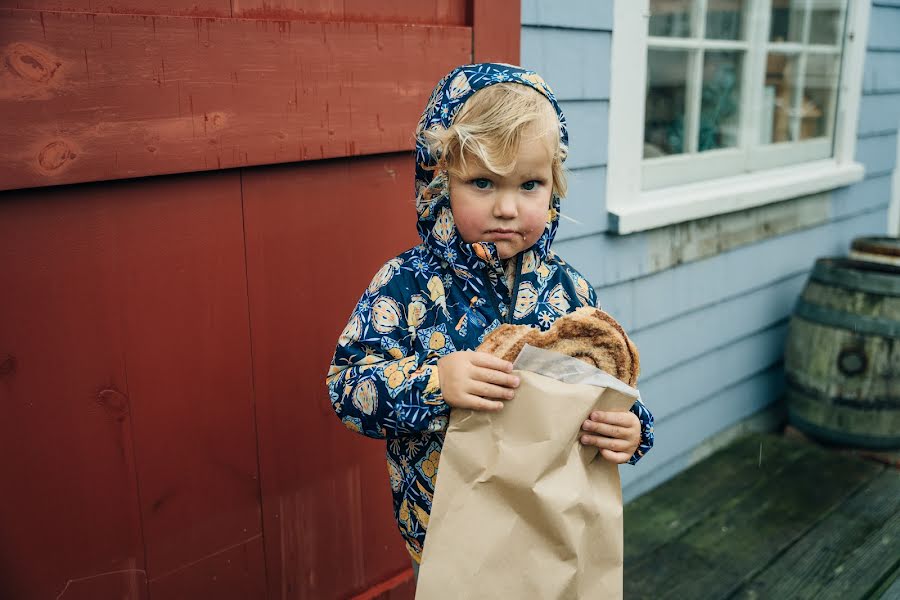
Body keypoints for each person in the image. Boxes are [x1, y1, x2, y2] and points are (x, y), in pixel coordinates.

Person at [325, 63, 654, 577]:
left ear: (555, 187)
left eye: (529, 185)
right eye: (482, 182)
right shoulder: (406, 286)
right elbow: (347, 388)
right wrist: (436, 382)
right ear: (440, 182)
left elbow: (607, 390)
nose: (506, 207)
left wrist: (632, 430)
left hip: (549, 529)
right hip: (448, 537)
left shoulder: (571, 293)